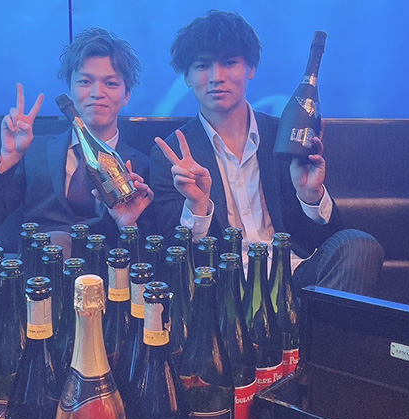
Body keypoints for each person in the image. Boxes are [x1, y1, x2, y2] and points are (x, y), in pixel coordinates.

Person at [151, 10, 383, 298]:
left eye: (229, 62)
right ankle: (305, 328)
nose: (216, 77)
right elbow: (173, 259)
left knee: (359, 245)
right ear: (187, 76)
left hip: (294, 276)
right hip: (224, 292)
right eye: (202, 65)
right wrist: (198, 207)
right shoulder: (172, 153)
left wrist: (311, 196)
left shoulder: (285, 134)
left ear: (251, 68)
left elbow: (322, 239)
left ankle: (306, 325)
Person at [0, 27, 153, 253]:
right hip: (38, 269)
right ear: (69, 91)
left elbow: (149, 253)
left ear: (126, 96)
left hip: (106, 271)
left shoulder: (142, 167)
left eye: (110, 83)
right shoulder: (34, 152)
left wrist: (127, 226)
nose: (97, 93)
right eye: (85, 82)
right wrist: (8, 157)